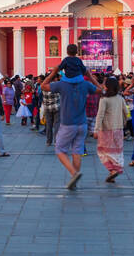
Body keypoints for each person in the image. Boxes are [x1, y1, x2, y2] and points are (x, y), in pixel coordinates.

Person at [42, 59, 101, 189]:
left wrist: (54, 71)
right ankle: (74, 182)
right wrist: (90, 75)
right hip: (82, 124)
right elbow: (100, 89)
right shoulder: (85, 84)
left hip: (68, 123)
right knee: (77, 151)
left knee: (59, 149)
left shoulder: (61, 84)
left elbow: (43, 85)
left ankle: (74, 173)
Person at [94, 77, 128, 183]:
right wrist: (123, 123)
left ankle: (112, 170)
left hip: (106, 130)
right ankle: (113, 171)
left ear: (107, 86)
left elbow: (100, 115)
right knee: (116, 151)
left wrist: (96, 129)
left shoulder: (104, 100)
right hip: (118, 129)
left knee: (103, 151)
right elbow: (126, 113)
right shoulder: (121, 98)